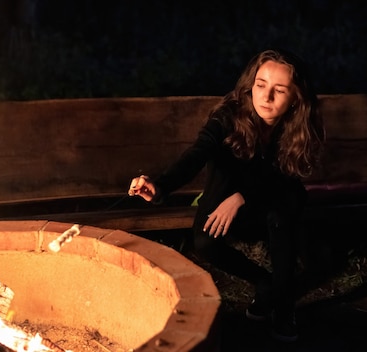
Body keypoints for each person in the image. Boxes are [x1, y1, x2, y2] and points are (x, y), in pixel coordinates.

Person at [127, 49, 324, 342]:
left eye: (279, 90)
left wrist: (243, 196)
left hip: (273, 199)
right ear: (250, 84)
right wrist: (161, 186)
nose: (266, 97)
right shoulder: (229, 115)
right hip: (225, 197)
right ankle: (265, 284)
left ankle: (283, 306)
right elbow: (197, 153)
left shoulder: (300, 126)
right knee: (204, 241)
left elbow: (287, 181)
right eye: (260, 85)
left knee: (282, 215)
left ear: (296, 97)